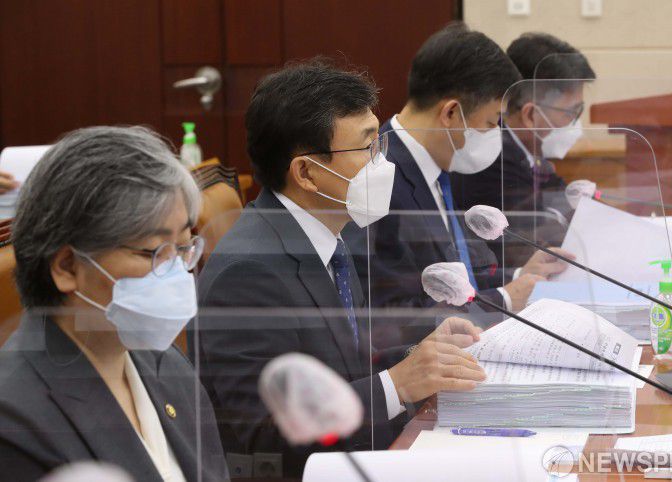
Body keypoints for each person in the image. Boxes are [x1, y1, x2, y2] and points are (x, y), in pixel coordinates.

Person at [195, 60, 486, 477]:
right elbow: (267, 437)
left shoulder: (334, 233)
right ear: (307, 173)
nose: (382, 163)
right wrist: (397, 384)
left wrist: (421, 349)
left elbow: (346, 361)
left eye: (379, 144)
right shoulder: (247, 275)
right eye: (367, 149)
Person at [0, 126, 229, 482]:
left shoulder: (167, 365)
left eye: (184, 246)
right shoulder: (14, 418)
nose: (175, 272)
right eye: (152, 252)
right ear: (67, 267)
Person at [344, 24, 571, 333]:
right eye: (491, 122)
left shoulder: (434, 166)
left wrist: (517, 276)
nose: (496, 134)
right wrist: (504, 299)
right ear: (451, 113)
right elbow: (390, 313)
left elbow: (452, 278)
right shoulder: (379, 180)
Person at [452, 32, 596, 219]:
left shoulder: (527, 149)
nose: (575, 122)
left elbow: (556, 193)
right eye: (570, 112)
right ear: (530, 115)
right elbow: (530, 231)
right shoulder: (494, 162)